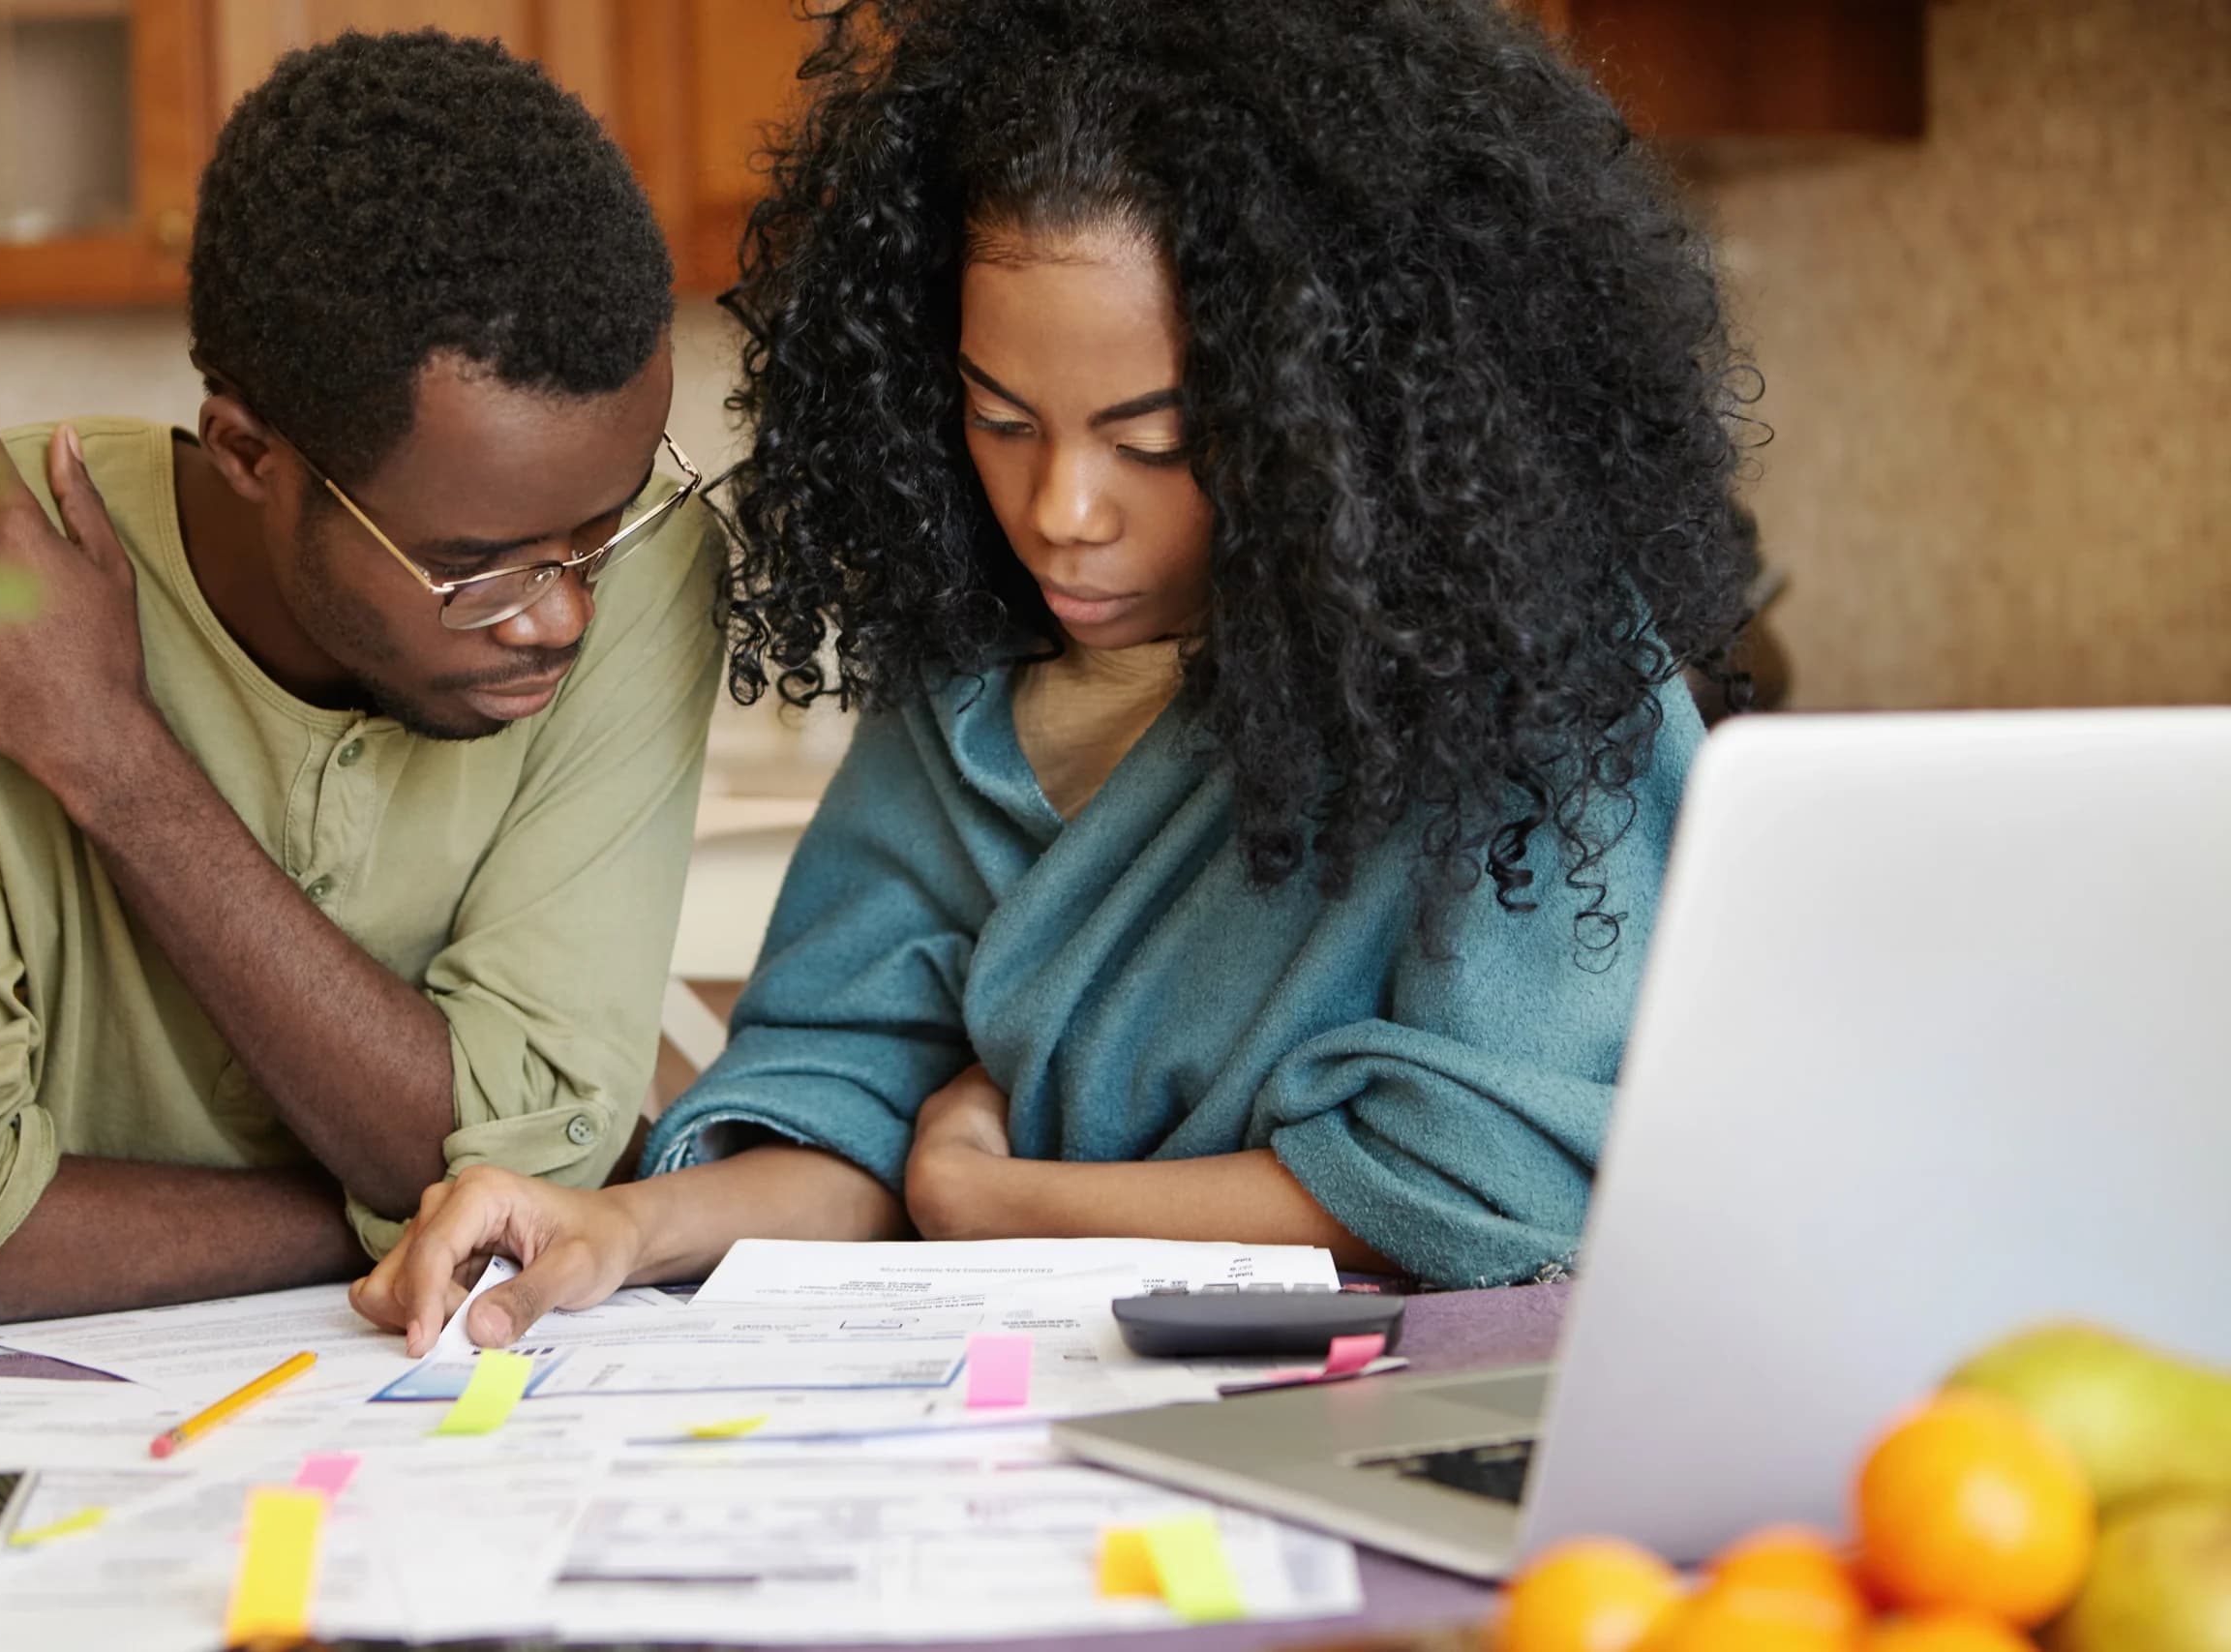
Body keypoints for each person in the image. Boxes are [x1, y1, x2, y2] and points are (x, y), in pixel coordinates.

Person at [353, 0, 1759, 1355]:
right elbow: (851, 1108)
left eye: (1154, 440)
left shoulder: (1519, 677)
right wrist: (616, 1230)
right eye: (1000, 418)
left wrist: (1009, 1204)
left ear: (1335, 417)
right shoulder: (967, 696)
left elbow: (1500, 1180)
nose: (1061, 511)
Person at [0, 31, 723, 1328]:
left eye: (597, 531)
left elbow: (541, 1170)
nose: (561, 614)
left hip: (485, 1436)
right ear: (247, 453)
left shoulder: (654, 569)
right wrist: (418, 1198)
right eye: (475, 565)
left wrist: (111, 754)